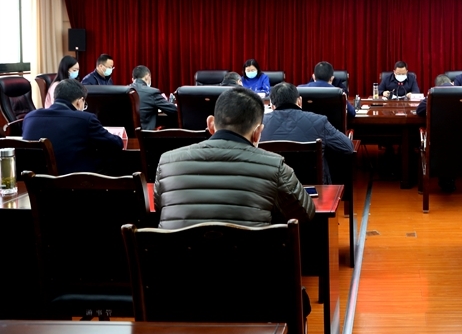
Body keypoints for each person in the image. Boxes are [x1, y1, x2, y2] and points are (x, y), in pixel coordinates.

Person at [155, 86, 315, 229]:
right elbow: (305, 213)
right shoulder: (274, 166)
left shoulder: (167, 162)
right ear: (258, 132)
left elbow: (159, 208)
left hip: (177, 253)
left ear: (210, 124)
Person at [22, 79, 123, 174]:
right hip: (73, 180)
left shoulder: (30, 117)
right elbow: (115, 144)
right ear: (80, 101)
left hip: (34, 180)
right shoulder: (85, 119)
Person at [261, 82, 354, 183]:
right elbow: (348, 147)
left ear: (272, 105)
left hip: (270, 188)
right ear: (300, 101)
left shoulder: (259, 124)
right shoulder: (319, 121)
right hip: (313, 188)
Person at [130, 65, 177, 130]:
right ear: (147, 77)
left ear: (133, 79)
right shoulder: (152, 92)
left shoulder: (124, 91)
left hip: (124, 134)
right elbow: (174, 110)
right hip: (145, 134)